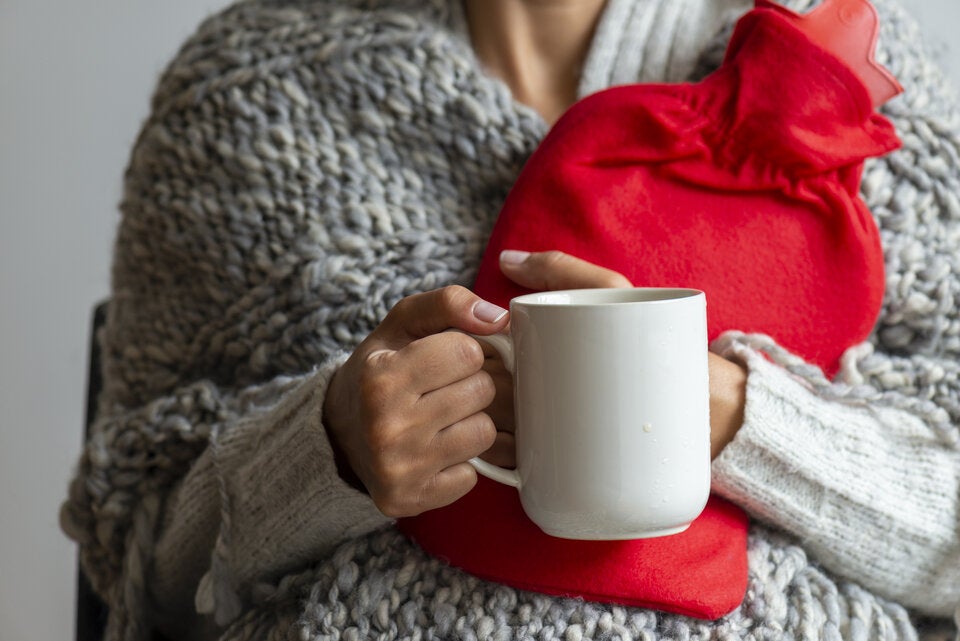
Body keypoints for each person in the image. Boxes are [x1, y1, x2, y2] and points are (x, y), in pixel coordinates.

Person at [61, 0, 960, 639]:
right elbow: (152, 579)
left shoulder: (851, 76)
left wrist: (738, 417)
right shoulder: (246, 98)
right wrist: (323, 452)